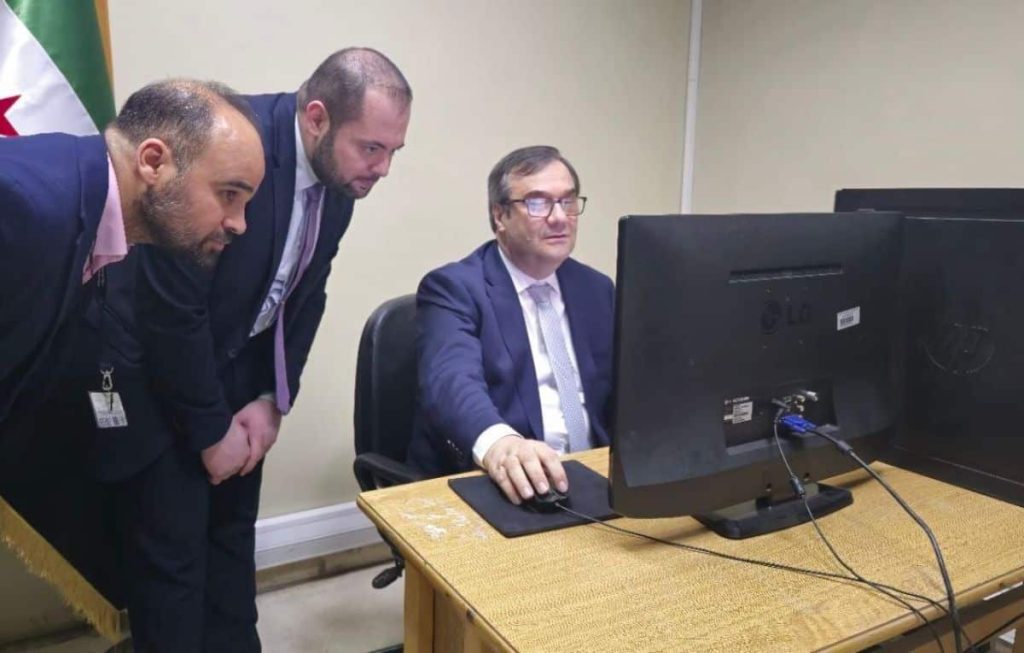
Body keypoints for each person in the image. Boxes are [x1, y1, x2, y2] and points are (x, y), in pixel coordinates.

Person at [102, 48, 412, 652]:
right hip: (160, 383)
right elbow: (171, 305)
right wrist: (209, 431)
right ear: (317, 118)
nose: (382, 168)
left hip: (241, 386)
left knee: (230, 544)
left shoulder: (339, 179)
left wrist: (272, 398)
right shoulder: (234, 148)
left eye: (393, 151)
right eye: (372, 148)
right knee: (173, 569)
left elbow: (308, 293)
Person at [0, 78, 264, 430]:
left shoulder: (90, 206)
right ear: (153, 162)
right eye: (229, 194)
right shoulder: (24, 207)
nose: (239, 224)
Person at [406, 145, 614, 505]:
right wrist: (500, 444)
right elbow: (451, 381)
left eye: (567, 201)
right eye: (537, 203)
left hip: (592, 477)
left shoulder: (596, 289)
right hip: (502, 482)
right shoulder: (454, 288)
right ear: (500, 215)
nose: (559, 217)